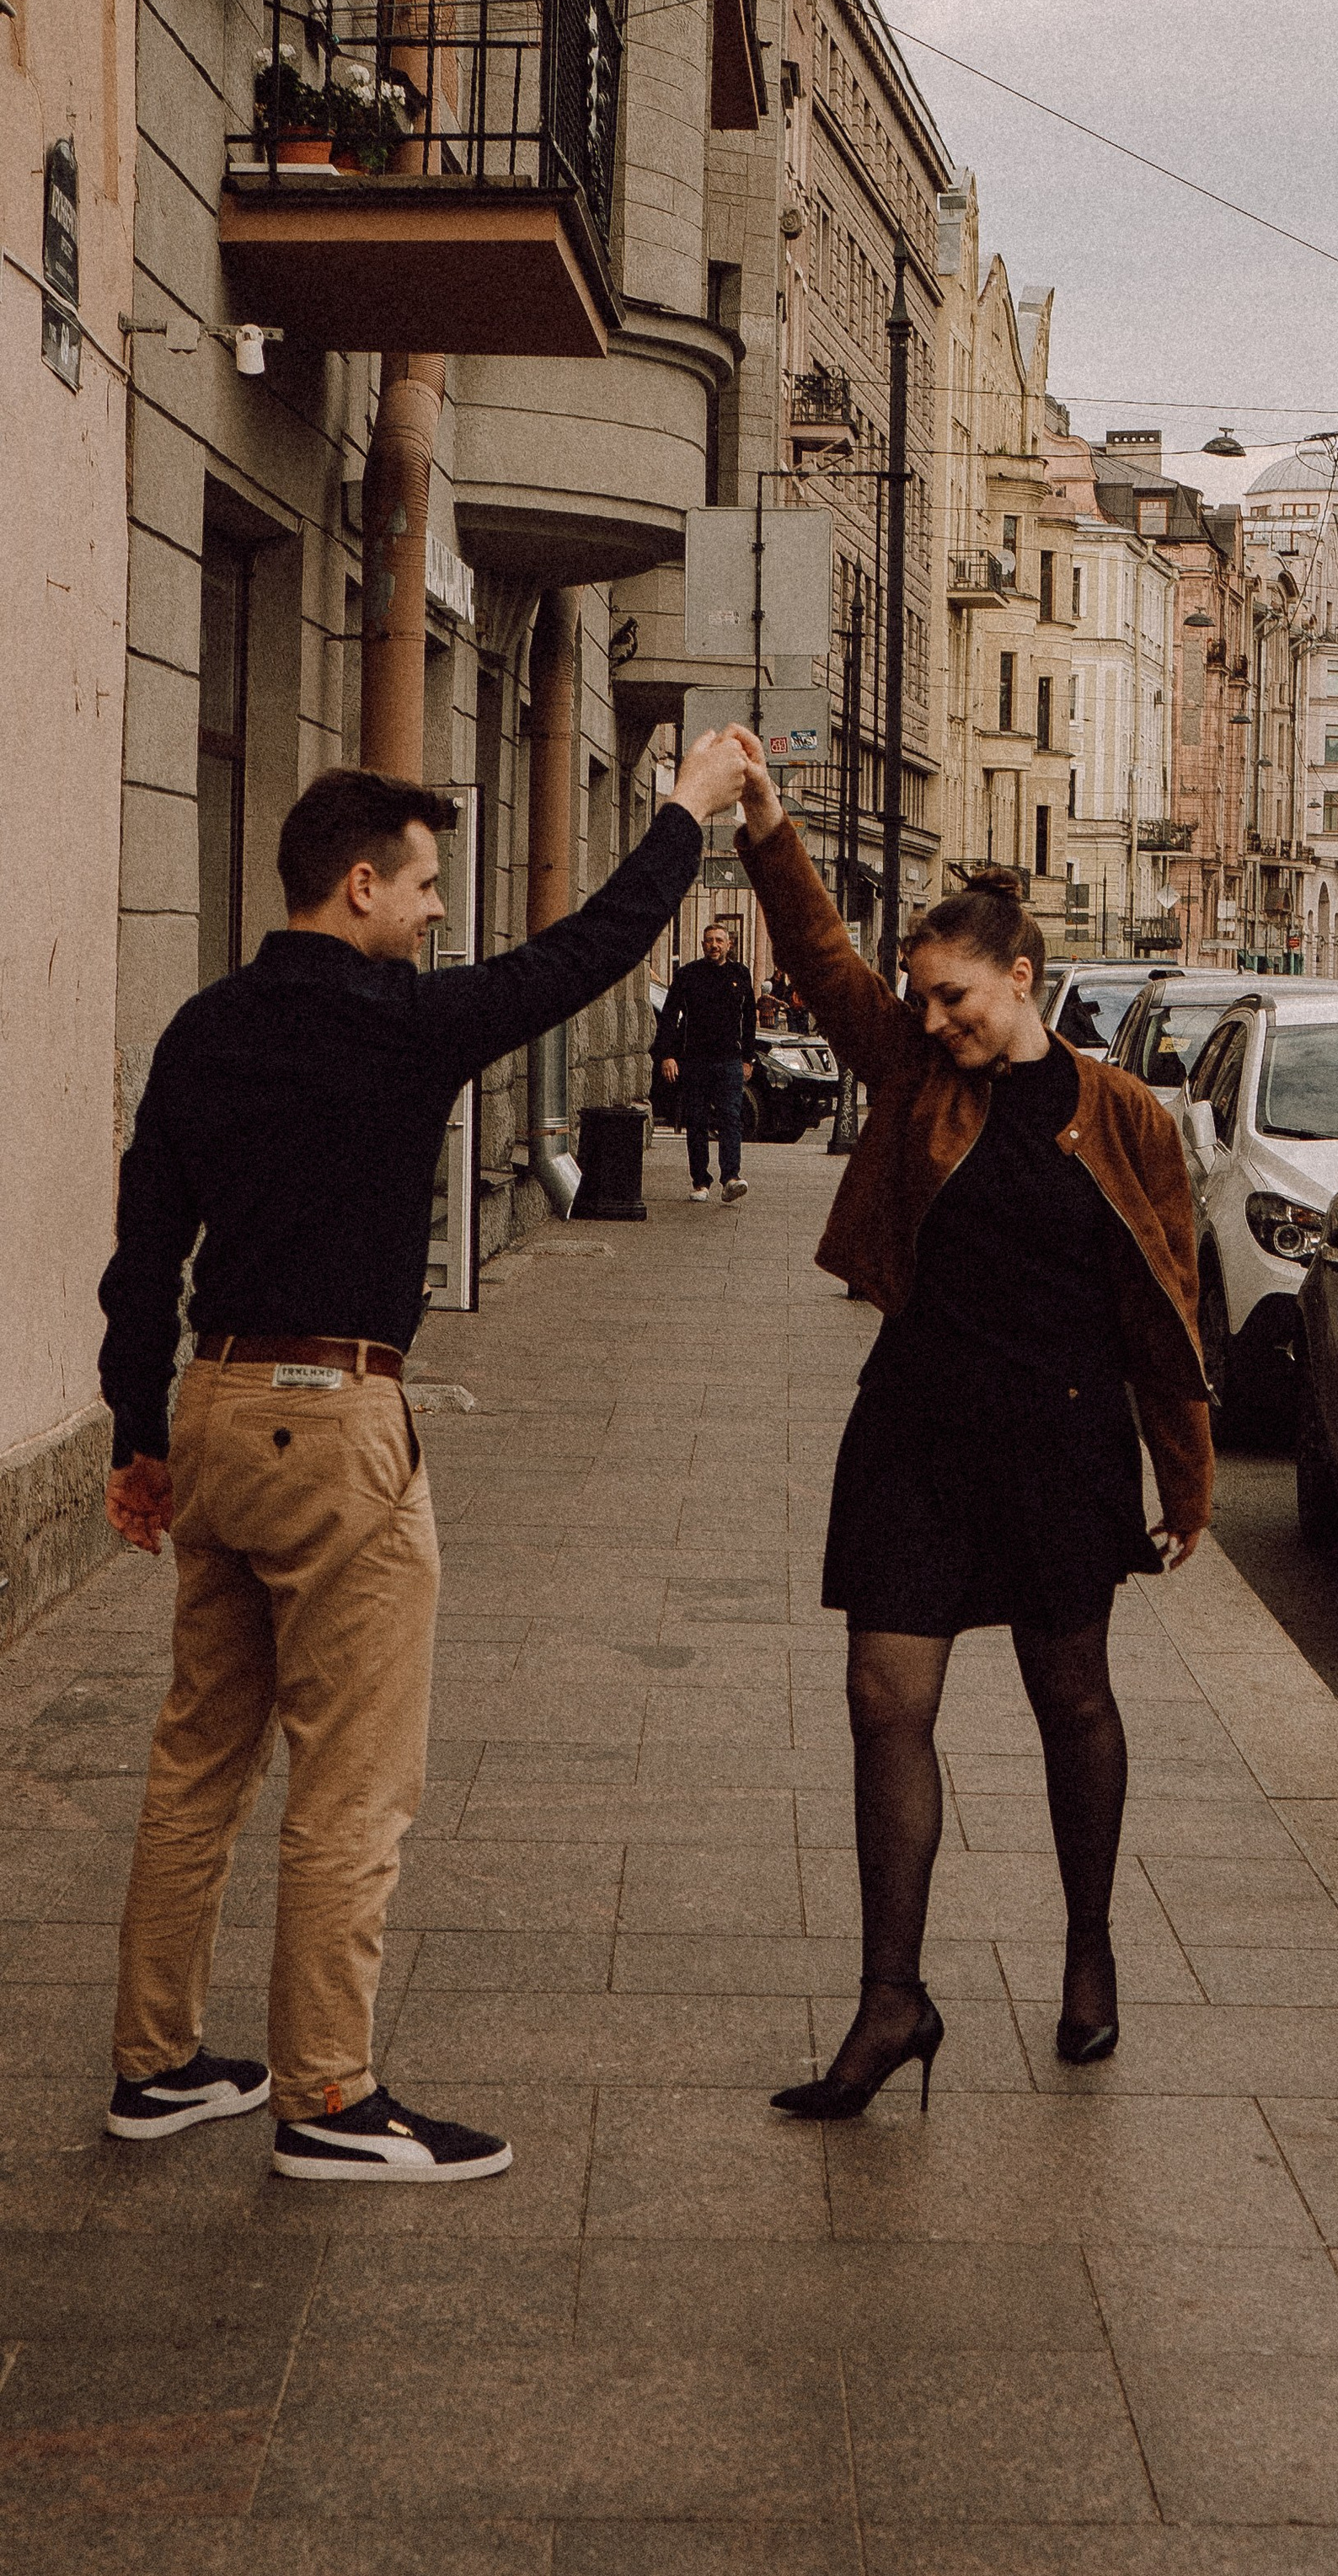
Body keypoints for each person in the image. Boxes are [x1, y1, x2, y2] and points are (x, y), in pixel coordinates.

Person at [95, 728, 748, 2181]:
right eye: (426, 886)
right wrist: (683, 813)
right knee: (352, 1780)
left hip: (213, 1405)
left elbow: (145, 1256)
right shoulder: (401, 1023)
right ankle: (327, 2100)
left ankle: (157, 2064)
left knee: (200, 1752)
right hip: (335, 1421)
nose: (439, 910)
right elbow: (590, 952)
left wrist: (140, 1435)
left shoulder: (205, 1029)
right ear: (357, 886)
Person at [724, 727, 1212, 2119]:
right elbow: (823, 961)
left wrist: (1186, 1480)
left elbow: (1167, 1310)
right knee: (885, 1700)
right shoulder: (910, 1073)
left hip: (1061, 1439)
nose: (933, 1021)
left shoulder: (1126, 1119)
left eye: (956, 1000)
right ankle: (894, 2000)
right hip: (918, 1431)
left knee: (1073, 1701)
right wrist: (766, 825)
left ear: (1019, 980)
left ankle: (1090, 1947)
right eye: (923, 1002)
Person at [655, 917, 758, 1203]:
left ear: (729, 945)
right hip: (694, 1061)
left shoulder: (741, 974)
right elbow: (668, 1016)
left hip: (729, 1060)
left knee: (730, 1119)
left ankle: (731, 1178)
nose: (714, 945)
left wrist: (748, 1058)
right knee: (697, 1121)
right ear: (702, 945)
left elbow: (749, 1019)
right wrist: (667, 1055)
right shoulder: (689, 975)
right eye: (709, 941)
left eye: (719, 941)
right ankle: (700, 1182)